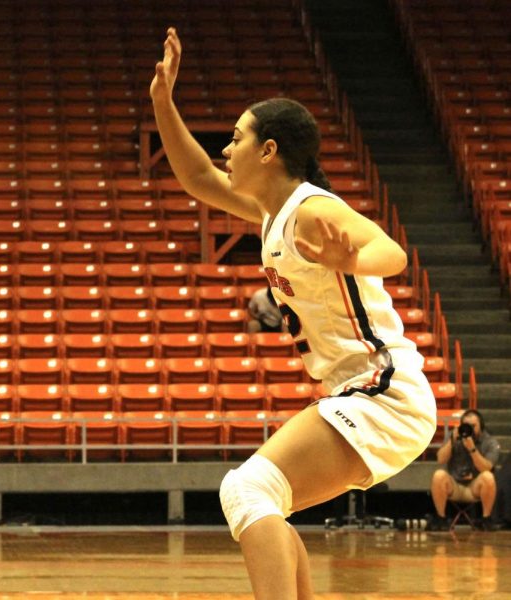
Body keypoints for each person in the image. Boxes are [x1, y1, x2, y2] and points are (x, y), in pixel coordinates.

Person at [151, 28, 436, 600]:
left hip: (383, 389)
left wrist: (352, 257)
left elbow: (393, 253)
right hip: (358, 391)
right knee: (263, 499)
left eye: (235, 138)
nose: (226, 150)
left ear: (269, 149)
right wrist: (163, 101)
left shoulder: (311, 208)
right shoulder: (272, 213)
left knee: (247, 489)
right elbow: (198, 179)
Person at [429, 409, 500, 531]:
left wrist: (472, 449)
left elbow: (486, 467)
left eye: (473, 426)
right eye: (466, 425)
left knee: (488, 476)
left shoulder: (490, 442)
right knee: (438, 475)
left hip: (474, 487)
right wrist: (452, 440)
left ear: (481, 426)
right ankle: (441, 518)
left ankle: (486, 519)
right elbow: (440, 459)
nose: (470, 429)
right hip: (454, 485)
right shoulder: (453, 436)